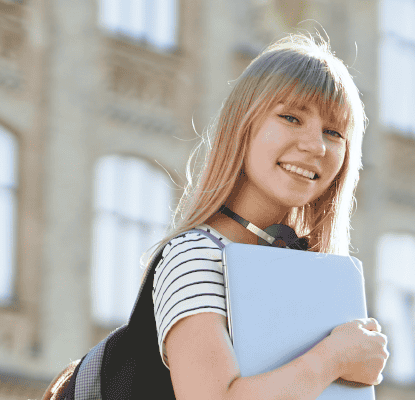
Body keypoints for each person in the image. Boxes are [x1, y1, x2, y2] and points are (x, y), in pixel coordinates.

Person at [151, 33, 389, 399]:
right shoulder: (195, 256)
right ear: (241, 126)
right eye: (291, 117)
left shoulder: (319, 273)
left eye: (333, 131)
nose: (315, 145)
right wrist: (335, 358)